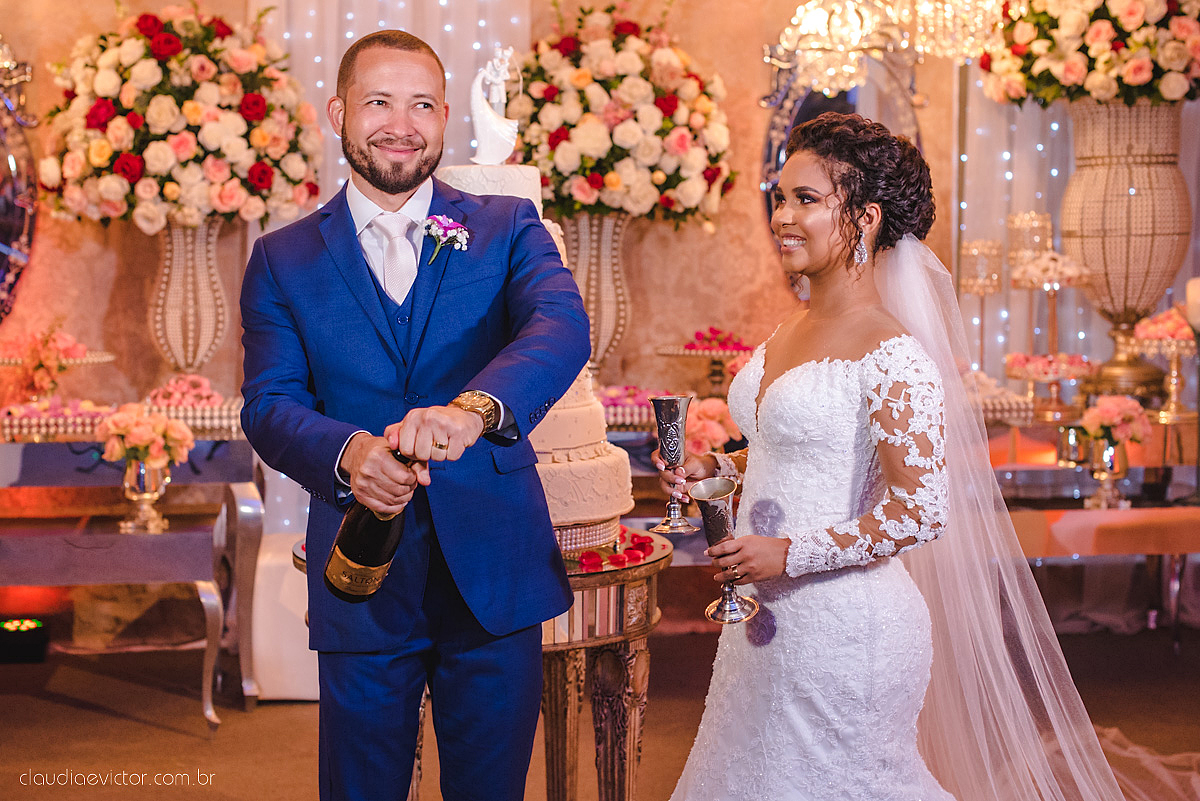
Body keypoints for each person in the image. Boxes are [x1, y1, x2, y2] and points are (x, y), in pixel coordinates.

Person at [656, 113, 1131, 800]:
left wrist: (788, 553)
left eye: (806, 200)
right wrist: (721, 469)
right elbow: (786, 450)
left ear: (867, 217)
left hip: (849, 633)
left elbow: (919, 510)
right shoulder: (791, 328)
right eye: (780, 197)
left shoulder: (895, 353)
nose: (782, 216)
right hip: (766, 626)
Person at [240, 30, 590, 801]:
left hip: (494, 570)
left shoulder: (507, 225)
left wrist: (476, 408)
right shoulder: (282, 257)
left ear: (444, 118)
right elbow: (268, 404)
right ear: (337, 112)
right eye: (378, 102)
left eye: (422, 104)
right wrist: (350, 453)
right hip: (361, 574)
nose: (401, 123)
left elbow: (560, 327)